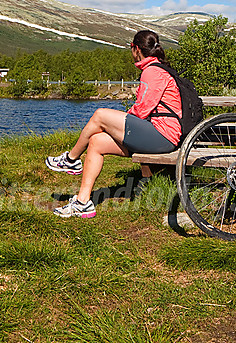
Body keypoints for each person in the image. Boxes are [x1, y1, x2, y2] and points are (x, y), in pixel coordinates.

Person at [46, 29, 181, 218]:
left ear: (135, 49)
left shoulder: (152, 72)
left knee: (100, 114)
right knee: (96, 142)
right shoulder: (155, 69)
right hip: (156, 134)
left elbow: (142, 110)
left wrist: (120, 122)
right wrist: (122, 124)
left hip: (162, 136)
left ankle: (71, 159)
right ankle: (83, 202)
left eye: (132, 49)